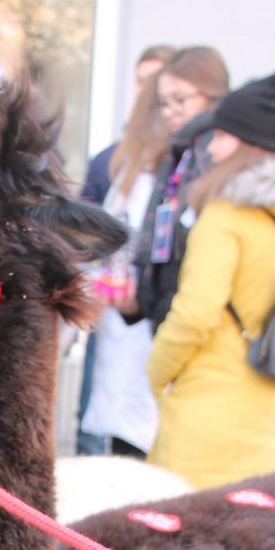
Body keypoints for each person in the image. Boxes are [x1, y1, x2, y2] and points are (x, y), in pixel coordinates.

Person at [145, 71, 275, 489]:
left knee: (180, 534)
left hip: (207, 407)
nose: (211, 148)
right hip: (271, 407)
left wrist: (156, 370)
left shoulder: (226, 216)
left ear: (248, 143)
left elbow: (196, 311)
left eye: (221, 137)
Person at [76, 53, 173, 456]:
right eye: (142, 84)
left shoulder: (182, 166)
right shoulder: (112, 162)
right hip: (109, 313)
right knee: (103, 424)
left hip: (154, 324)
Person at [125, 45, 230, 331]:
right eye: (163, 102)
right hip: (165, 321)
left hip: (196, 329)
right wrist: (139, 301)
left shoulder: (217, 158)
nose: (169, 111)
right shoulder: (178, 153)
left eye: (180, 99)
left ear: (212, 94)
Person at [79, 45, 176, 205]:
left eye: (153, 81)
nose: (145, 90)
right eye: (140, 81)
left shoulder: (184, 159)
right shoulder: (106, 160)